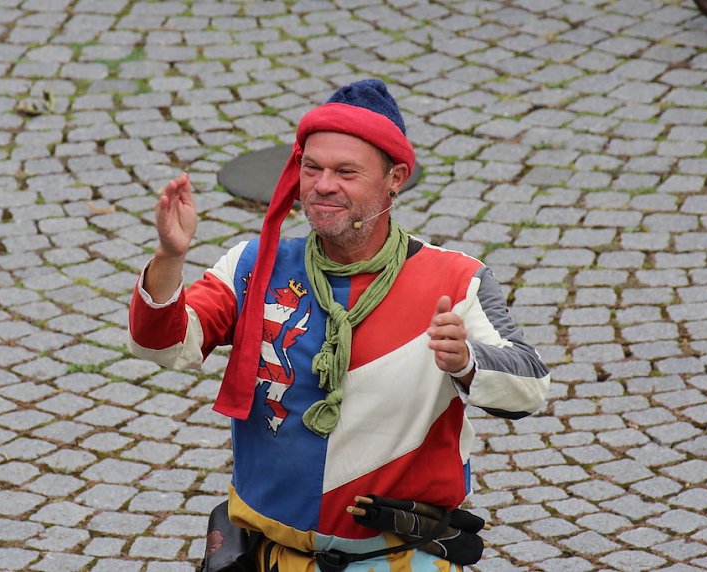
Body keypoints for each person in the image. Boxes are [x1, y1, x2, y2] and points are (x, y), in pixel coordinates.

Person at [129, 79, 551, 571]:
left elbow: (532, 385)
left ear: (395, 177)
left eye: (346, 172)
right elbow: (163, 343)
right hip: (271, 559)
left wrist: (467, 362)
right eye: (312, 168)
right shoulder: (252, 266)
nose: (323, 185)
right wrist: (170, 258)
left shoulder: (456, 280)